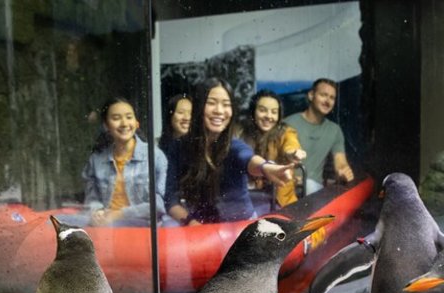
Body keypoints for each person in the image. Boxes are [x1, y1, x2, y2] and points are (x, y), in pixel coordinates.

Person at [165, 78, 294, 225]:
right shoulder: (178, 147)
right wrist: (190, 222)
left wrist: (267, 168)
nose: (219, 111)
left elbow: (247, 158)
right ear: (198, 106)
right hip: (200, 230)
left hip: (239, 228)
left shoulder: (233, 146)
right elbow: (171, 200)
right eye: (211, 103)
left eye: (226, 105)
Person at [82, 97, 168, 226]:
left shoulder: (155, 156)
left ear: (136, 122)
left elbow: (159, 206)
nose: (124, 123)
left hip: (142, 227)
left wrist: (118, 214)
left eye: (129, 117)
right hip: (106, 227)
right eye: (116, 118)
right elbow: (91, 199)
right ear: (106, 125)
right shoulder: (96, 159)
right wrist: (96, 212)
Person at [283, 78, 354, 194]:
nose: (328, 101)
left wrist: (343, 171)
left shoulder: (334, 130)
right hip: (286, 186)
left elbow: (340, 162)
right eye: (323, 95)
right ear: (311, 95)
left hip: (313, 191)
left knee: (310, 186)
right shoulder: (288, 123)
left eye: (332, 98)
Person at [239, 90, 306, 208]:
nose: (269, 116)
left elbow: (290, 145)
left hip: (279, 201)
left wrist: (293, 153)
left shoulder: (285, 132)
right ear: (253, 111)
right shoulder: (242, 132)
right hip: (246, 199)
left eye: (274, 112)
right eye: (263, 110)